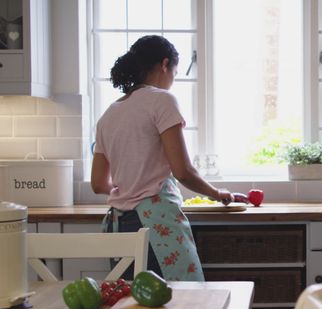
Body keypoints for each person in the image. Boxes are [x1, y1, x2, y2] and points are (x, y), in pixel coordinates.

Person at [91, 35, 233, 281]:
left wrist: (129, 185)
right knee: (180, 304)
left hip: (120, 225)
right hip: (155, 224)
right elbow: (183, 171)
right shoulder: (161, 101)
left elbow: (98, 184)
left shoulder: (109, 115)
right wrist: (217, 193)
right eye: (175, 73)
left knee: (131, 308)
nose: (172, 81)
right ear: (165, 64)